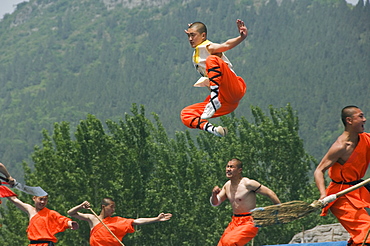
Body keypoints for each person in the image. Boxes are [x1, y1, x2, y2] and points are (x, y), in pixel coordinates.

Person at [314, 105, 370, 246]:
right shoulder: (340, 147)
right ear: (349, 120)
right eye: (361, 116)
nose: (365, 119)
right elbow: (319, 171)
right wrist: (322, 195)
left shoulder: (365, 139)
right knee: (366, 233)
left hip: (359, 187)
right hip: (341, 195)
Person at [181, 19, 248, 137]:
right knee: (186, 114)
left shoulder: (208, 46)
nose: (190, 39)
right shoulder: (198, 52)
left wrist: (241, 37)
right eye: (188, 36)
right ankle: (215, 130)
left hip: (234, 88)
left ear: (203, 36)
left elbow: (226, 45)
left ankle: (214, 99)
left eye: (193, 35)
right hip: (226, 102)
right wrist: (195, 28)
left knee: (211, 60)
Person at [210, 158, 281, 245]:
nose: (228, 169)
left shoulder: (248, 184)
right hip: (235, 221)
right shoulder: (227, 185)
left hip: (249, 221)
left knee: (229, 242)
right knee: (221, 244)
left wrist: (280, 209)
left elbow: (270, 193)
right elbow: (215, 203)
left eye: (232, 167)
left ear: (239, 170)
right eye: (227, 166)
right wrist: (214, 194)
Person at [68, 198, 172, 246]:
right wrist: (81, 206)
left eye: (114, 208)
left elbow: (137, 221)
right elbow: (71, 213)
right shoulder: (92, 218)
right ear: (104, 207)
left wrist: (156, 219)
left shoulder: (118, 220)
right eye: (111, 207)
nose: (113, 210)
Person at [7, 195, 79, 246]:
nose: (42, 202)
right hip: (33, 244)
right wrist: (2, 188)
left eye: (45, 199)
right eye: (41, 199)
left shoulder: (51, 213)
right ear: (34, 198)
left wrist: (70, 223)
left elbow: (62, 220)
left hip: (46, 244)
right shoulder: (30, 210)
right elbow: (14, 199)